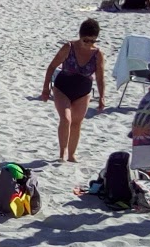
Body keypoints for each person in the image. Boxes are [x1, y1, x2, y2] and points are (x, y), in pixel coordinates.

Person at [39, 19, 106, 163]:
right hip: (62, 87)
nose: (89, 44)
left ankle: (71, 154)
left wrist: (102, 97)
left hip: (83, 91)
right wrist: (45, 88)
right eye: (85, 40)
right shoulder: (68, 47)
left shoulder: (98, 54)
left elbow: (100, 78)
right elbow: (51, 67)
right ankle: (62, 153)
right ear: (80, 36)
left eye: (92, 41)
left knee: (77, 123)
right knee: (66, 119)